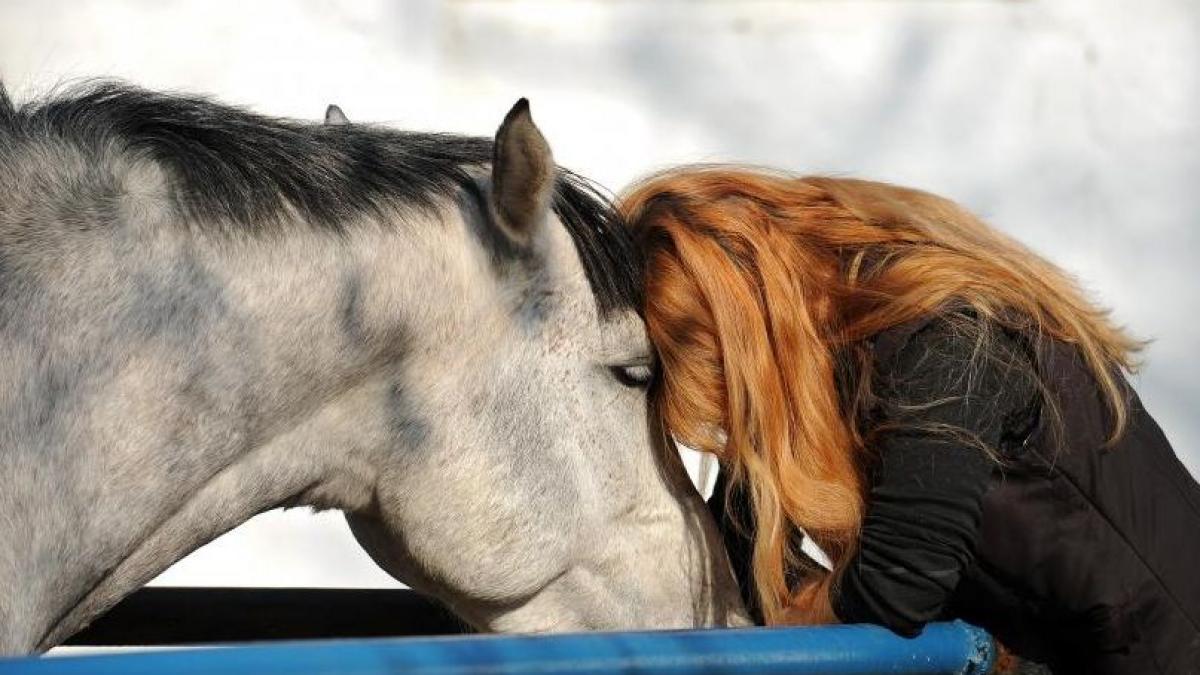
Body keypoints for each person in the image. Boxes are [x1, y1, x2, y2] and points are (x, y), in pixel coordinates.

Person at [620, 167, 1200, 674]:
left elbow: (898, 582)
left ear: (748, 338)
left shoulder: (943, 340)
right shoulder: (834, 361)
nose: (732, 421)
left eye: (723, 385)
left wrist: (803, 610)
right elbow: (745, 543)